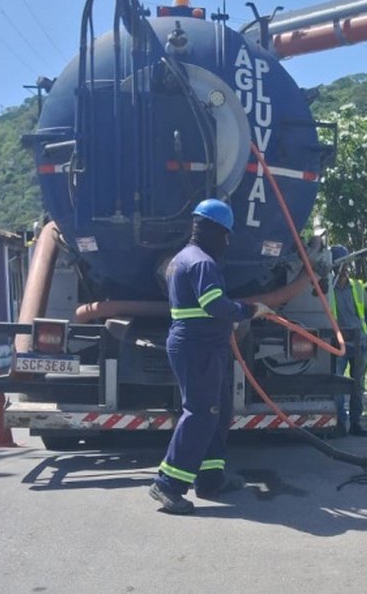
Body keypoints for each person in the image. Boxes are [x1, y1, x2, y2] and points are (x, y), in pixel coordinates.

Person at [149, 198, 272, 515]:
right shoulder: (201, 262)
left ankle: (210, 478)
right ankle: (167, 484)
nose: (228, 241)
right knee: (202, 413)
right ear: (213, 230)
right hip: (198, 346)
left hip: (204, 345)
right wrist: (250, 310)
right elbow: (214, 304)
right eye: (226, 234)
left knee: (219, 410)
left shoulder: (183, 258)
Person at [328, 245, 367, 437]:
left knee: (358, 385)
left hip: (359, 343)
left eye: (347, 264)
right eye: (341, 264)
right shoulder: (327, 287)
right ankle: (340, 424)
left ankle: (355, 423)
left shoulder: (357, 286)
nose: (345, 268)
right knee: (337, 386)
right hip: (337, 345)